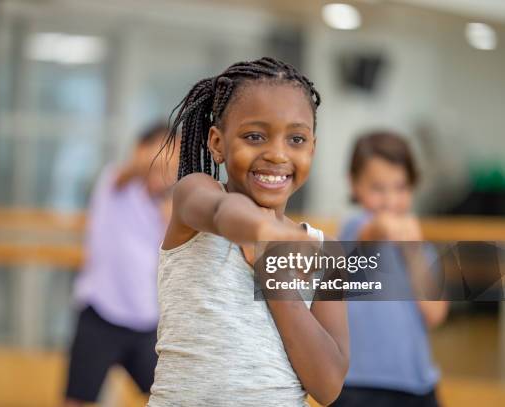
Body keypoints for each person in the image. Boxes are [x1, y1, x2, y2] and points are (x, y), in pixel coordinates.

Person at [147, 57, 349, 407]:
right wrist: (262, 230)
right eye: (255, 136)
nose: (276, 154)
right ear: (217, 143)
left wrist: (273, 271)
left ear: (312, 148)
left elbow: (328, 386)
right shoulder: (194, 197)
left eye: (296, 139)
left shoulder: (323, 251)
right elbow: (224, 211)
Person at [331, 131, 448, 407]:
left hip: (416, 382)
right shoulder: (351, 230)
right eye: (378, 188)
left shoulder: (421, 247)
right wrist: (385, 227)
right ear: (354, 184)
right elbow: (370, 231)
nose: (390, 200)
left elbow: (435, 314)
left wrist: (413, 250)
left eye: (400, 188)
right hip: (356, 383)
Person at [64, 123, 178, 406]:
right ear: (141, 150)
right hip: (100, 312)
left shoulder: (168, 207)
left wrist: (167, 198)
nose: (170, 166)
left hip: (145, 320)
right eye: (166, 155)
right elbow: (135, 168)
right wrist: (156, 158)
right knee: (78, 398)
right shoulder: (115, 184)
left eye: (176, 162)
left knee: (169, 396)